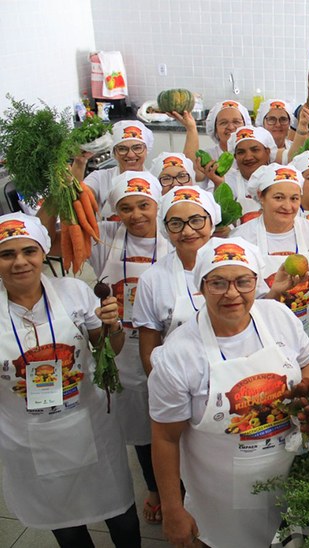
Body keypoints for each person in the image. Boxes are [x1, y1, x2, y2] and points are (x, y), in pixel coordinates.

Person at [149, 237, 309, 547]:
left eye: (243, 281)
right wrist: (172, 508)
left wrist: (308, 403)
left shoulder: (278, 317)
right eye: (218, 283)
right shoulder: (177, 355)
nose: (232, 294)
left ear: (256, 281)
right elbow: (165, 438)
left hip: (291, 476)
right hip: (220, 496)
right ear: (201, 287)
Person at [0, 213, 139, 547]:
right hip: (27, 437)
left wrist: (113, 327)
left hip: (90, 424)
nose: (20, 262)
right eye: (7, 254)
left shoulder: (74, 293)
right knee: (62, 519)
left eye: (29, 251)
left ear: (43, 253)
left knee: (119, 512)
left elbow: (108, 349)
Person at [88, 171, 171, 524]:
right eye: (126, 208)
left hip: (169, 343)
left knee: (176, 418)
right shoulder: (104, 240)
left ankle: (183, 488)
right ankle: (154, 487)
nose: (136, 214)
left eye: (143, 205)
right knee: (139, 422)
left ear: (157, 205)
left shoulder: (175, 236)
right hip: (125, 345)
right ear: (116, 212)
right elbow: (57, 226)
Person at [232, 164, 309, 330]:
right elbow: (237, 303)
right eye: (279, 198)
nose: (288, 206)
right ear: (261, 196)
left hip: (307, 332)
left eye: (294, 198)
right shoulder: (241, 239)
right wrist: (275, 292)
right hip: (262, 332)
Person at [133, 185, 221, 378]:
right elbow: (149, 352)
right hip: (179, 379)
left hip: (234, 378)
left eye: (196, 220)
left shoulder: (236, 263)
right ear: (165, 229)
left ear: (211, 221)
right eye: (176, 224)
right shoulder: (153, 279)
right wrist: (164, 392)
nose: (188, 231)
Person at [80, 120, 153, 220]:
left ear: (146, 150)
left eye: (137, 148)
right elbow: (78, 197)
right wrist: (80, 162)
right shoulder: (100, 178)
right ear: (114, 152)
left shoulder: (156, 180)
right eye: (122, 149)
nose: (131, 154)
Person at [205, 125, 277, 224]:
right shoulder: (225, 179)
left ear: (268, 152)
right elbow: (214, 215)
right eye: (241, 152)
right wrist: (218, 184)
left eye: (255, 150)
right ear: (235, 157)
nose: (248, 157)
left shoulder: (279, 177)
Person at [176, 99, 250, 183]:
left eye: (236, 122)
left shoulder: (255, 155)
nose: (231, 127)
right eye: (223, 123)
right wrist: (191, 129)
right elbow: (192, 174)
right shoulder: (208, 156)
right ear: (215, 129)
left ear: (246, 126)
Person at [255, 99, 296, 163]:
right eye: (271, 119)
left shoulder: (295, 148)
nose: (278, 124)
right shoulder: (254, 152)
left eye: (283, 119)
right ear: (262, 124)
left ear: (289, 123)